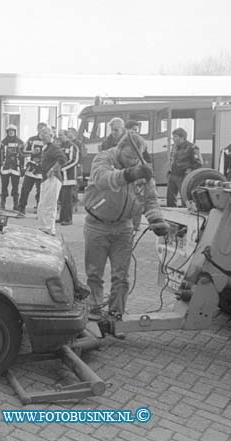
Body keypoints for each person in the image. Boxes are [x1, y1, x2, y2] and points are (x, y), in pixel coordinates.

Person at [83, 133, 170, 321]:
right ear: (119, 149)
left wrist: (156, 220)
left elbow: (150, 200)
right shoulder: (103, 158)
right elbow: (103, 179)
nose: (132, 162)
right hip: (97, 226)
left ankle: (116, 315)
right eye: (128, 157)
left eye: (135, 158)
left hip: (124, 228)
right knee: (94, 274)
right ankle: (94, 313)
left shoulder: (142, 168)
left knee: (121, 277)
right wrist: (129, 174)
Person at [35, 127, 67, 235]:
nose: (42, 136)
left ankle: (49, 228)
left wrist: (53, 169)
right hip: (45, 178)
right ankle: (43, 227)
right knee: (42, 204)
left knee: (50, 204)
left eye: (45, 134)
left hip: (53, 178)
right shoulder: (46, 147)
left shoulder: (54, 147)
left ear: (50, 135)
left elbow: (63, 159)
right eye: (41, 134)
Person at [16, 122, 48, 216]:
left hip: (42, 169)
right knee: (25, 189)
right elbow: (23, 152)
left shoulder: (49, 141)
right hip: (32, 168)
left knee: (41, 191)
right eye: (40, 128)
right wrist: (32, 152)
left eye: (44, 129)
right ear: (37, 129)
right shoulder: (31, 140)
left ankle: (40, 210)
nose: (42, 131)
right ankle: (21, 209)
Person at [166, 128, 203, 207]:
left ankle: (186, 214)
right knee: (170, 199)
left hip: (184, 176)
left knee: (185, 198)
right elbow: (172, 160)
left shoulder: (192, 147)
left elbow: (199, 162)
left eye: (175, 136)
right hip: (173, 175)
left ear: (182, 137)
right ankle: (171, 214)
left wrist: (189, 170)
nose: (173, 139)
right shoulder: (175, 147)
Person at [0, 124, 24, 210]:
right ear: (7, 132)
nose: (11, 133)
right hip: (5, 168)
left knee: (15, 188)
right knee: (4, 187)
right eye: (9, 131)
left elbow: (23, 156)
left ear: (15, 132)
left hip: (16, 169)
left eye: (13, 131)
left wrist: (23, 168)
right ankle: (2, 204)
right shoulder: (3, 142)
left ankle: (16, 205)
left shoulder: (20, 142)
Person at [57, 129, 80, 226]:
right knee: (62, 198)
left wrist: (62, 168)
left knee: (68, 199)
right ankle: (62, 217)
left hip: (69, 177)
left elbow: (74, 160)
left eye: (61, 135)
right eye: (59, 135)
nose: (59, 137)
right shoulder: (60, 146)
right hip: (61, 177)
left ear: (66, 135)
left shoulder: (72, 146)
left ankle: (68, 219)